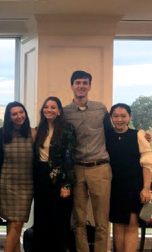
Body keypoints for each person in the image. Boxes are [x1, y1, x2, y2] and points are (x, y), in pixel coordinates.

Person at [62, 70, 113, 252]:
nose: (81, 86)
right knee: (78, 220)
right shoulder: (65, 112)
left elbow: (114, 133)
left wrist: (139, 135)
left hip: (100, 167)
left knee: (101, 221)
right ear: (72, 86)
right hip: (77, 169)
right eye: (78, 83)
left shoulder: (101, 109)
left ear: (89, 86)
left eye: (84, 82)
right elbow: (53, 131)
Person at [106, 103, 152, 252]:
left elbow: (147, 164)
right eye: (116, 116)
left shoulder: (138, 135)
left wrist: (146, 188)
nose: (119, 119)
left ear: (129, 117)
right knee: (118, 225)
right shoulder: (105, 135)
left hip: (134, 186)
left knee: (133, 225)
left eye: (123, 116)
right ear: (111, 118)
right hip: (114, 186)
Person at [32, 97, 77, 252]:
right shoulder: (39, 129)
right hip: (41, 176)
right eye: (46, 107)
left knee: (59, 219)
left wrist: (66, 184)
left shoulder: (67, 128)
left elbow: (69, 157)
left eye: (53, 107)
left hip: (59, 178)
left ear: (59, 110)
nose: (49, 110)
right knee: (41, 217)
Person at [0, 101, 35, 252]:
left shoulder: (34, 133)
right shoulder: (2, 133)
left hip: (26, 185)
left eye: (21, 112)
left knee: (17, 224)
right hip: (7, 183)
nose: (19, 116)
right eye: (14, 114)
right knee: (13, 224)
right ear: (9, 117)